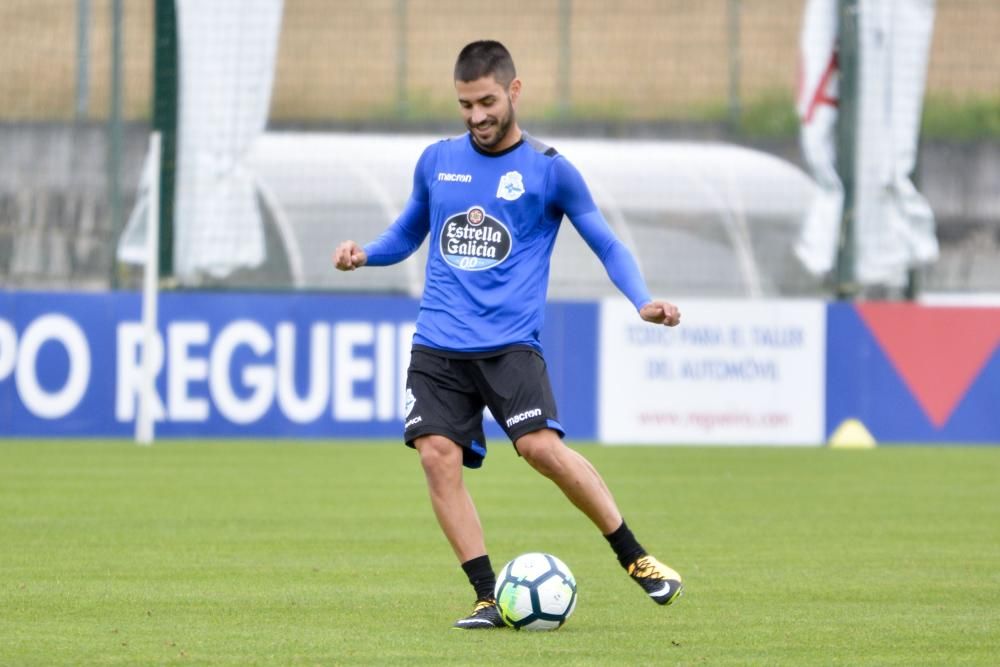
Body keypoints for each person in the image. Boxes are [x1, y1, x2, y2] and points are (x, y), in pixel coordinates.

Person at [333, 40, 683, 629]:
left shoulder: (549, 170)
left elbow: (606, 241)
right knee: (436, 457)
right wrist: (365, 254)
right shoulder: (437, 160)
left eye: (487, 102)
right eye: (466, 104)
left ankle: (636, 557)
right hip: (438, 343)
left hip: (508, 344)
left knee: (540, 449)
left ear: (514, 92)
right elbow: (407, 234)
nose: (476, 116)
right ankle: (486, 596)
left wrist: (642, 300)